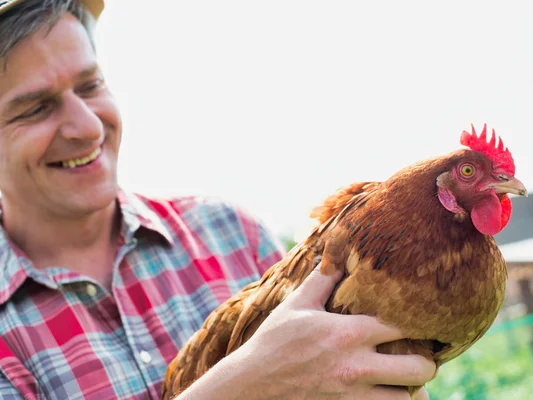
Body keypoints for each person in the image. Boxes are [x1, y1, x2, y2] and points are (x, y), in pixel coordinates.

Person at [0, 0, 436, 399]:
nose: (88, 127)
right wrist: (249, 382)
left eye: (90, 84)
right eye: (36, 108)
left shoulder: (230, 231)